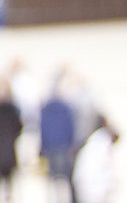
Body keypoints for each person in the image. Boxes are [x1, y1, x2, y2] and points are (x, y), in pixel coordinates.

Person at [38, 73, 79, 202]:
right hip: (62, 145)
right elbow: (71, 128)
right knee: (63, 177)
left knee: (54, 178)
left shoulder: (47, 108)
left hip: (51, 146)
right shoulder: (66, 108)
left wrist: (42, 146)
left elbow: (42, 129)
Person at [73, 114, 120, 203]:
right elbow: (99, 169)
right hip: (92, 187)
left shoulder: (95, 141)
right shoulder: (101, 145)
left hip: (86, 185)